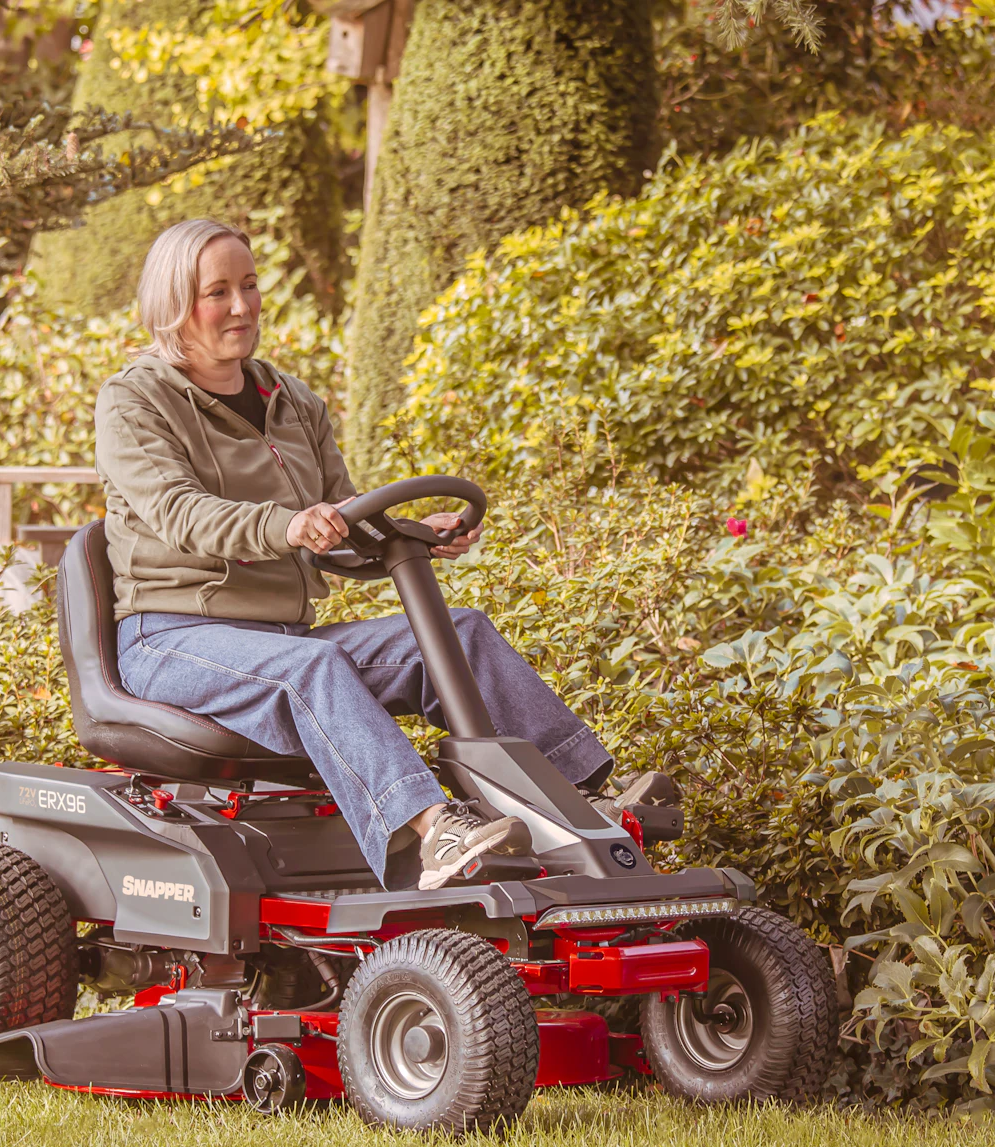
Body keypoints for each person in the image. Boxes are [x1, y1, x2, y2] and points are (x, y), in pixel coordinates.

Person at [95, 218, 644, 889]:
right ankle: (434, 832)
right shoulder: (135, 400)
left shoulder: (292, 402)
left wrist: (414, 536)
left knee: (458, 633)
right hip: (170, 641)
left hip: (278, 640)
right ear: (174, 303)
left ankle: (585, 803)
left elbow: (344, 532)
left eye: (249, 285)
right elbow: (181, 515)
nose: (241, 307)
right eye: (217, 293)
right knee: (313, 666)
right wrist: (289, 526)